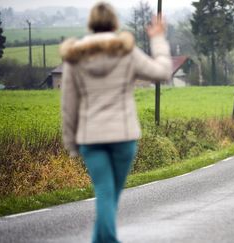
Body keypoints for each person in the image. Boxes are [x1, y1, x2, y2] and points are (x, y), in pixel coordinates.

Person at [60, 2, 172, 242]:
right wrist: (159, 39)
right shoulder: (125, 52)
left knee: (105, 194)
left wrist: (71, 143)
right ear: (115, 23)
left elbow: (69, 106)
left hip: (91, 139)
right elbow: (163, 72)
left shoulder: (74, 57)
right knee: (109, 196)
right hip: (123, 137)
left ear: (91, 24)